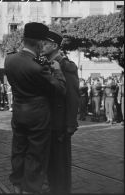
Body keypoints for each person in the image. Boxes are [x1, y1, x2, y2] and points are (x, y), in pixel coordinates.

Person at [4, 22, 66, 194]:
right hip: (38, 114)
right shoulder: (37, 67)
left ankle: (16, 184)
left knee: (18, 149)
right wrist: (58, 70)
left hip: (18, 111)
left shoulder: (9, 59)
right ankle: (30, 189)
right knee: (36, 153)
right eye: (43, 42)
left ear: (24, 39)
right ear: (39, 43)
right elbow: (60, 89)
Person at [41, 30, 79, 195]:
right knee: (49, 163)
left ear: (55, 46)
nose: (41, 46)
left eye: (45, 43)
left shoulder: (65, 65)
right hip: (46, 122)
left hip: (59, 123)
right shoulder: (45, 63)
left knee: (60, 165)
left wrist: (70, 124)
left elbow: (72, 96)